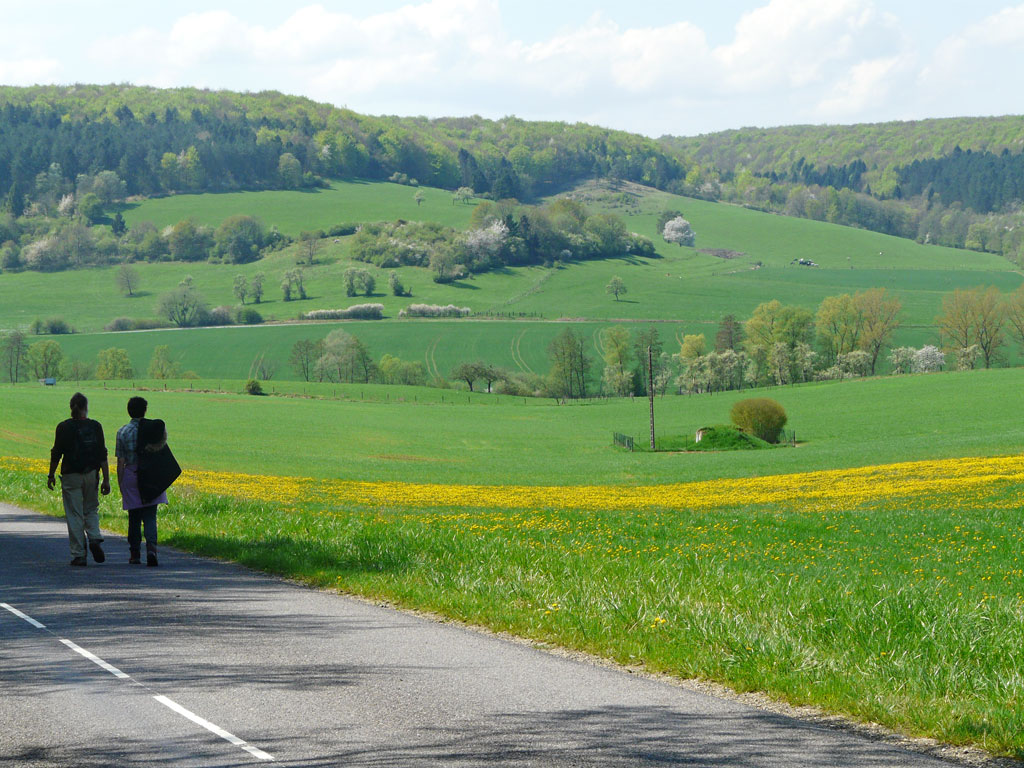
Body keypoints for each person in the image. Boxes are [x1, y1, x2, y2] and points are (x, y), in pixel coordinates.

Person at [48, 392, 110, 567]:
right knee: (90, 508)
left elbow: (56, 453)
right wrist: (106, 479)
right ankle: (94, 537)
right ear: (86, 407)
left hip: (70, 475)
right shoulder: (96, 426)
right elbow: (102, 454)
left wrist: (51, 474)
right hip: (91, 474)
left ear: (71, 407)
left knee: (74, 513)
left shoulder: (63, 427)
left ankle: (79, 554)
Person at [116, 397, 168, 566]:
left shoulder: (122, 432)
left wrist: (120, 482)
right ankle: (152, 549)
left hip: (131, 475)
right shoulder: (153, 429)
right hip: (151, 476)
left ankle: (135, 553)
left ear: (128, 410)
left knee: (134, 517)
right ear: (145, 410)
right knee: (150, 515)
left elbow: (120, 462)